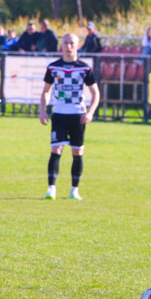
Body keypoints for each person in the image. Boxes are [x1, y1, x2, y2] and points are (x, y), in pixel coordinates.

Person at [39, 33, 100, 201]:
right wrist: (43, 110)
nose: (68, 46)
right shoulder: (53, 68)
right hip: (59, 114)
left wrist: (90, 112)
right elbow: (46, 91)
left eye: (72, 43)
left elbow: (96, 93)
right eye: (65, 43)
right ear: (61, 46)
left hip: (77, 115)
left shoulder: (85, 68)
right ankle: (51, 188)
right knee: (55, 150)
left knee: (77, 152)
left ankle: (74, 190)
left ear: (78, 45)